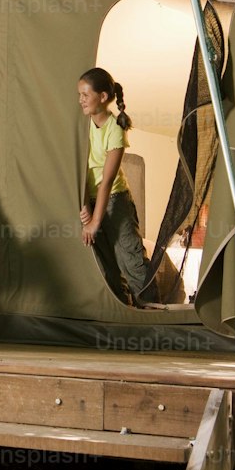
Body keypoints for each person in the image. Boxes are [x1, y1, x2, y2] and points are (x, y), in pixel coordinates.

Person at [78, 68, 157, 306]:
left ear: (103, 97)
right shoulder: (82, 125)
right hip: (91, 201)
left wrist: (95, 221)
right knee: (106, 266)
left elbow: (106, 182)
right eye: (79, 94)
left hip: (114, 199)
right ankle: (125, 313)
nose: (80, 99)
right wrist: (84, 206)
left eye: (85, 94)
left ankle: (153, 314)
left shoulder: (115, 131)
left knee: (131, 261)